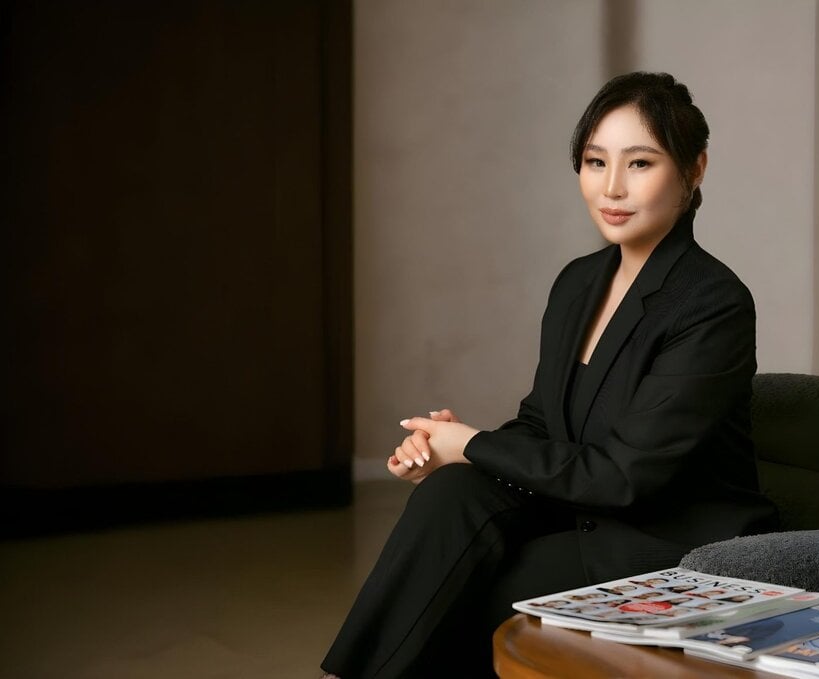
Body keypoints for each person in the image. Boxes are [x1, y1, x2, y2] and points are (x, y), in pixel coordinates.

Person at [320, 71, 777, 679]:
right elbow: (543, 422)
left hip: (665, 541)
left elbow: (624, 476)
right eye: (594, 162)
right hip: (582, 513)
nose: (611, 187)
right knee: (451, 494)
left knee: (481, 591)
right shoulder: (578, 282)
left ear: (694, 171)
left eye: (640, 164)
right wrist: (455, 454)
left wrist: (477, 446)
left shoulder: (712, 302)